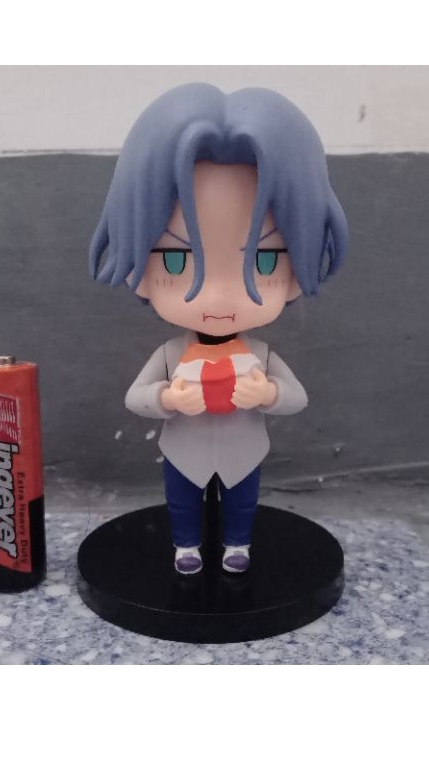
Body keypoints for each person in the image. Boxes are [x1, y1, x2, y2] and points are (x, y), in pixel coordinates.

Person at [89, 83, 348, 574]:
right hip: (182, 450)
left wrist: (268, 393)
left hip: (243, 451)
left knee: (242, 502)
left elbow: (296, 398)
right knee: (182, 501)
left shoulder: (261, 356)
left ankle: (237, 546)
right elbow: (135, 397)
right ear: (138, 264)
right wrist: (166, 399)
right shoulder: (171, 355)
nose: (218, 298)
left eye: (265, 259)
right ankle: (185, 546)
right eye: (175, 258)